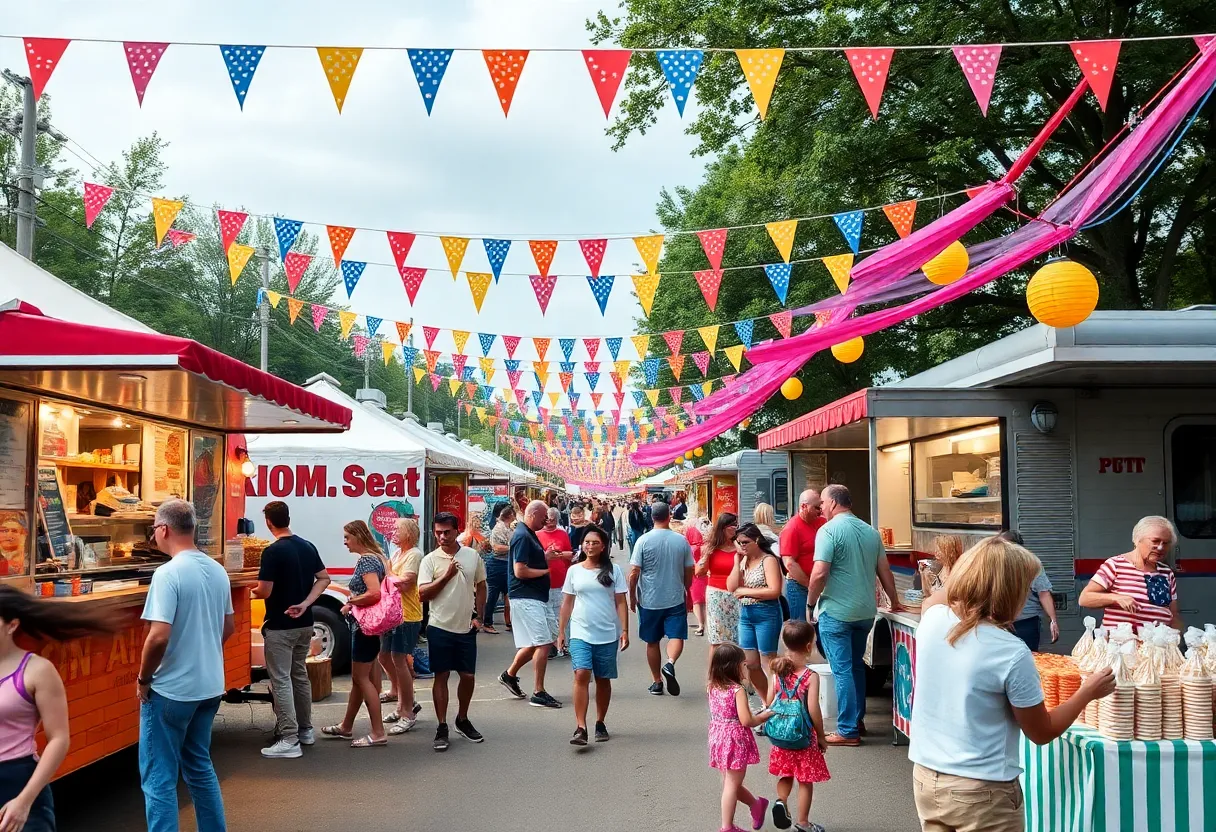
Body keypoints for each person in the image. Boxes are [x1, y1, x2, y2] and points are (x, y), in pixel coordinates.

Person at [910, 537, 1116, 832]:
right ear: (1013, 591)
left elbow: (937, 598)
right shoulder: (1010, 651)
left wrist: (975, 564)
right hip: (983, 791)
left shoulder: (933, 619)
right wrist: (1087, 693)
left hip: (927, 778)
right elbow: (1041, 731)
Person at [137, 499, 234, 832]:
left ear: (163, 529)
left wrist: (143, 678)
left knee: (158, 779)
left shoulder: (168, 574)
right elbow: (229, 627)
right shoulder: (217, 569)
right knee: (199, 767)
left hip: (171, 691)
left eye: (154, 530)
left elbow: (158, 637)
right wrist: (202, 651)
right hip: (209, 688)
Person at [0, 587, 115, 831]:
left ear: (12, 625)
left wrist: (24, 800)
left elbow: (59, 739)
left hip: (17, 781)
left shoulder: (37, 671)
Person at [805, 485, 902, 747]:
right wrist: (895, 602)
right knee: (857, 666)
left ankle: (847, 730)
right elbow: (885, 572)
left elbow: (819, 573)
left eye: (823, 502)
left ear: (834, 503)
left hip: (836, 611)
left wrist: (811, 603)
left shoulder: (828, 531)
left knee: (842, 670)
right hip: (865, 612)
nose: (821, 507)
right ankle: (857, 720)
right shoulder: (871, 531)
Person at [252, 501, 330, 759]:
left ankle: (289, 738)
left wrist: (249, 592)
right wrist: (307, 603)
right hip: (304, 623)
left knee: (281, 680)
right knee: (299, 676)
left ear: (269, 522)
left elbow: (265, 591)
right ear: (288, 518)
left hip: (279, 624)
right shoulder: (307, 546)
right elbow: (324, 578)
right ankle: (306, 730)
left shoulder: (272, 552)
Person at [418, 512, 487, 752]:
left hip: (466, 627)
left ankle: (462, 719)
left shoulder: (472, 556)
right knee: (442, 676)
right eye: (438, 532)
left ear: (457, 531)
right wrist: (446, 576)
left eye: (447, 532)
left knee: (468, 676)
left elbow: (481, 585)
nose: (442, 537)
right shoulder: (430, 560)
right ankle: (441, 725)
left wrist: (480, 616)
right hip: (439, 626)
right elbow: (423, 594)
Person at [556, 525, 628, 745]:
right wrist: (561, 632)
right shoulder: (574, 571)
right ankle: (580, 727)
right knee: (581, 674)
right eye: (586, 542)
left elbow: (621, 601)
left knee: (603, 679)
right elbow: (567, 603)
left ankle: (600, 722)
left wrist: (624, 630)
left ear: (603, 546)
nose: (589, 546)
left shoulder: (613, 570)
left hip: (607, 632)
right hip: (580, 631)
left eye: (594, 542)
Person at [322, 521, 389, 748]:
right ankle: (346, 726)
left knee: (362, 679)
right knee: (360, 679)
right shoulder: (376, 557)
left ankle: (378, 732)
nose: (345, 542)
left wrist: (351, 602)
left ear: (358, 537)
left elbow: (374, 593)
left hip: (364, 627)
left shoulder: (367, 560)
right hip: (369, 627)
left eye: (347, 537)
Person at [765, 620, 829, 832]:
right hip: (803, 736)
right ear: (809, 646)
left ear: (784, 643)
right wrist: (820, 736)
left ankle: (781, 801)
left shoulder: (777, 672)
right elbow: (813, 710)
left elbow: (769, 701)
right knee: (805, 779)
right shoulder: (810, 676)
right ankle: (803, 822)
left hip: (781, 736)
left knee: (786, 773)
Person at [498, 501, 561, 708]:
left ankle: (510, 675)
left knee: (539, 640)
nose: (546, 521)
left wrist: (545, 557)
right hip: (526, 596)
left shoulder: (528, 533)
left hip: (534, 596)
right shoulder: (522, 536)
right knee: (543, 642)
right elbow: (520, 571)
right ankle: (539, 691)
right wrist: (545, 571)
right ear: (533, 514)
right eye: (543, 517)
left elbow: (527, 561)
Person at [628, 501, 695, 697]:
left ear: (651, 517)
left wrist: (632, 596)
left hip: (649, 599)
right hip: (674, 597)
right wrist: (686, 589)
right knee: (677, 635)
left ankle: (657, 681)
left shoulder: (643, 541)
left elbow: (633, 573)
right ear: (669, 516)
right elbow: (689, 570)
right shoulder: (681, 541)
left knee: (652, 641)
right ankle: (670, 662)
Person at [708, 642, 773, 832]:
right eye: (743, 664)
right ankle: (727, 827)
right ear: (733, 667)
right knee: (731, 784)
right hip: (734, 739)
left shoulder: (712, 687)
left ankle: (755, 805)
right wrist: (764, 716)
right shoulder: (737, 691)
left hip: (718, 737)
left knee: (730, 782)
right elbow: (746, 720)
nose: (746, 667)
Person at [1078, 515, 1184, 630]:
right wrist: (1116, 598)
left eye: (1166, 543)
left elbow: (1173, 614)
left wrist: (1177, 638)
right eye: (1155, 541)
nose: (1160, 547)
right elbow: (1084, 598)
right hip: (1122, 643)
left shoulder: (1166, 572)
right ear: (1138, 539)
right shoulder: (1115, 565)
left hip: (1156, 644)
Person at [727, 523, 784, 703]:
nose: (742, 546)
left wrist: (746, 591)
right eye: (739, 542)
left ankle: (779, 703)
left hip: (766, 612)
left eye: (746, 542)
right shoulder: (744, 560)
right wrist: (736, 562)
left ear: (757, 540)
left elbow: (774, 590)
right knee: (751, 664)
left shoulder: (768, 560)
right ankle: (768, 702)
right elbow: (731, 587)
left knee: (769, 661)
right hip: (746, 613)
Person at [380, 517, 424, 734]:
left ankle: (407, 712)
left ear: (409, 533)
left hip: (407, 615)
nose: (392, 532)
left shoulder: (415, 554)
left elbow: (404, 584)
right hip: (393, 614)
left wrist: (386, 570)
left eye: (397, 529)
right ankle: (402, 700)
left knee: (399, 659)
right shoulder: (398, 553)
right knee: (384, 656)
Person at [996, 530, 1060, 652]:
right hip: (999, 622)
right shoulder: (994, 563)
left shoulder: (1031, 563)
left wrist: (1053, 620)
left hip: (1026, 622)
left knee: (1029, 658)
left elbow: (1044, 593)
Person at [779, 490, 826, 624]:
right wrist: (810, 585)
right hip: (799, 587)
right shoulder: (792, 528)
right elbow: (789, 563)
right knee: (801, 629)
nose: (820, 511)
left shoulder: (822, 522)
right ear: (804, 506)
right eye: (816, 507)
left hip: (819, 585)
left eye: (821, 507)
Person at [698, 513, 741, 652]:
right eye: (732, 525)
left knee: (739, 638)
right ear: (723, 528)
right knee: (716, 639)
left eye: (737, 525)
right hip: (717, 595)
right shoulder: (711, 548)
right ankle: (714, 673)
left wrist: (737, 543)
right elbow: (699, 572)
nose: (736, 528)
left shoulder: (741, 547)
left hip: (738, 593)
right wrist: (706, 555)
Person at [537, 507, 575, 657]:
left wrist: (559, 555)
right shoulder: (537, 534)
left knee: (562, 614)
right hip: (544, 579)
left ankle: (564, 644)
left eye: (554, 520)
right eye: (548, 519)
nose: (551, 522)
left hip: (561, 579)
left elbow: (570, 554)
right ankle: (551, 644)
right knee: (547, 614)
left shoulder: (562, 533)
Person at [483, 503, 515, 634]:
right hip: (497, 564)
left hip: (507, 563)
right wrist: (513, 547)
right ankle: (487, 622)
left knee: (510, 593)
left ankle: (510, 622)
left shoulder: (508, 527)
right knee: (493, 595)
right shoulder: (498, 528)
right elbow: (496, 548)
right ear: (509, 515)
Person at [685, 515, 710, 637]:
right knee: (705, 602)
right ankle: (706, 624)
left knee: (697, 602)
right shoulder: (707, 546)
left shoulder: (691, 547)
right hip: (708, 575)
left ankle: (701, 625)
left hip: (695, 575)